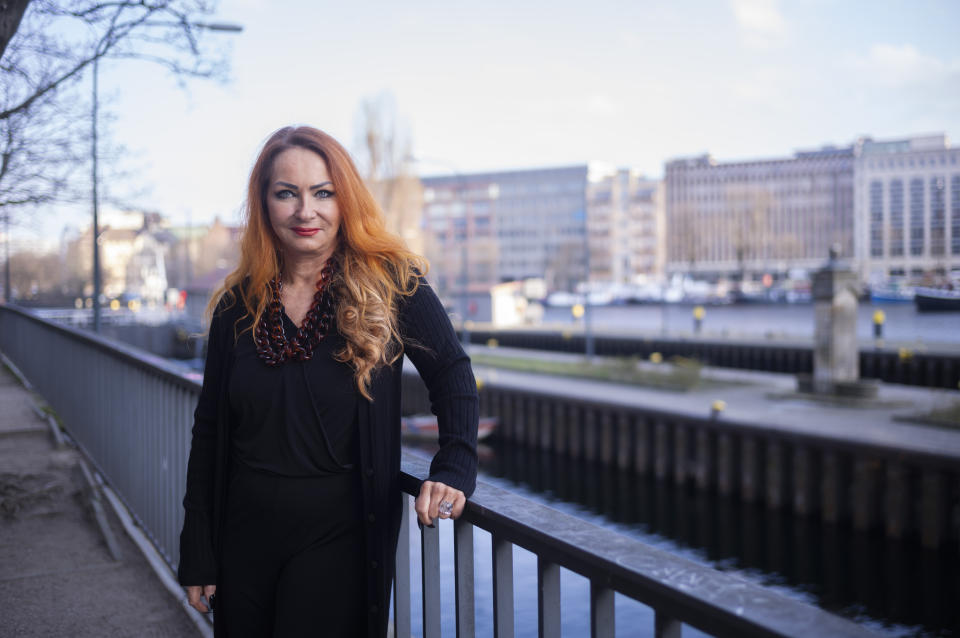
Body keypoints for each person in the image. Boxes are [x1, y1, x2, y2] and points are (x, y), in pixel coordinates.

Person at [177, 125, 479, 637]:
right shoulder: (236, 306)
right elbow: (210, 432)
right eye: (285, 194)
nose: (305, 211)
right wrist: (198, 550)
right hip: (244, 536)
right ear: (264, 204)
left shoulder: (393, 286)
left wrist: (454, 464)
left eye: (323, 193)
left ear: (346, 200)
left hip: (339, 537)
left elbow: (452, 373)